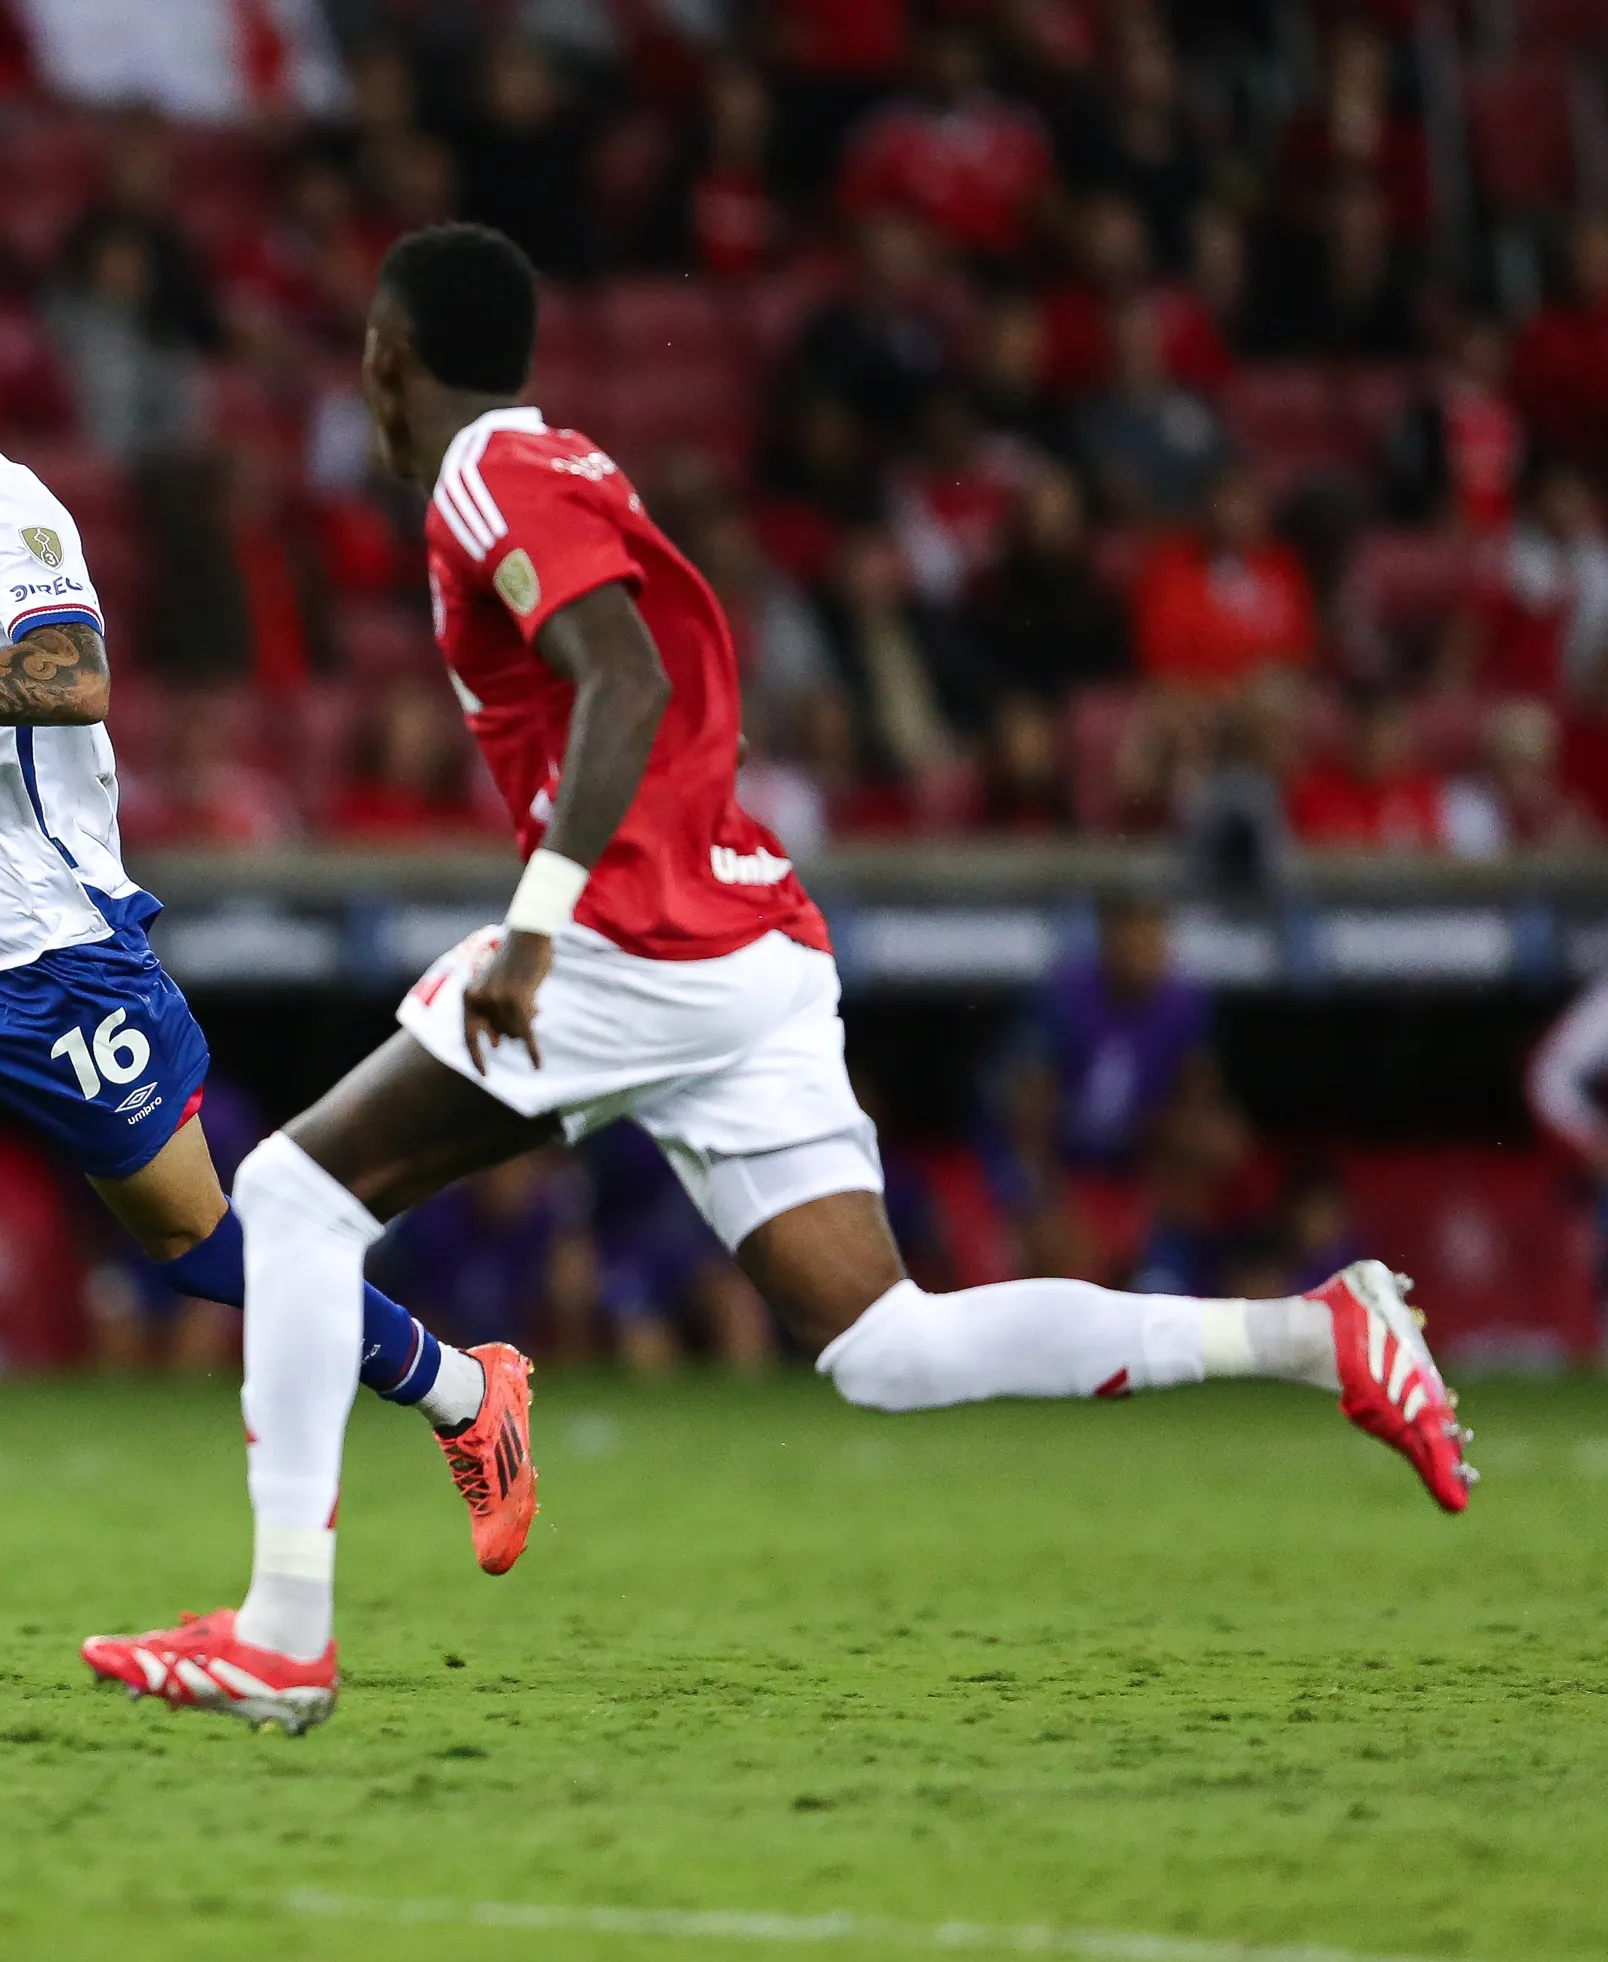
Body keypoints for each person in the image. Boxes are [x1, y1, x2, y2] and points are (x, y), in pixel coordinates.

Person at [81, 225, 1477, 1736]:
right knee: (887, 1347)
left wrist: (544, 918)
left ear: (386, 357)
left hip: (632, 939)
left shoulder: (488, 469)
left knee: (290, 1200)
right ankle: (1316, 1332)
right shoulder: (560, 464)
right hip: (749, 945)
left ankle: (287, 1629)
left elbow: (628, 679)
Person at [0, 264, 528, 1597]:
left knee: (201, 1254)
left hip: (57, 967)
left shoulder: (7, 518)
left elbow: (72, 681)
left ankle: (467, 1388)